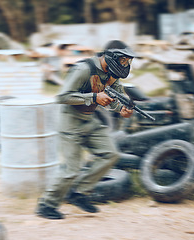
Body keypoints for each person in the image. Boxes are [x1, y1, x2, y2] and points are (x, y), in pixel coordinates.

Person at [36, 40, 137, 219]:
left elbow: (116, 97)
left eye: (127, 61)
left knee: (110, 154)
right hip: (70, 122)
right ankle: (46, 204)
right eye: (123, 60)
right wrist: (93, 97)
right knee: (71, 169)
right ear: (111, 56)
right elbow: (62, 96)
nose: (124, 64)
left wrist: (122, 109)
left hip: (89, 120)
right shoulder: (84, 69)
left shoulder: (112, 74)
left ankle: (79, 193)